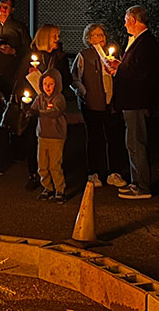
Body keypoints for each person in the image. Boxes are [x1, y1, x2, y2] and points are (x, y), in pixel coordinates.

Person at [110, 6, 159, 201]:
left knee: (136, 142)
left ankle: (142, 186)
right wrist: (119, 67)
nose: (124, 24)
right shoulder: (140, 42)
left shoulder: (146, 44)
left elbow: (141, 73)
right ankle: (136, 181)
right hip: (132, 101)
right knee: (132, 142)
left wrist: (119, 69)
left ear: (133, 20)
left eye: (126, 20)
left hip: (137, 101)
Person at [71, 23, 126, 189]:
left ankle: (114, 172)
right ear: (88, 38)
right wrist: (84, 93)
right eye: (95, 35)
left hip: (111, 103)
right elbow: (74, 78)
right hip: (92, 104)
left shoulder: (112, 54)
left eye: (101, 35)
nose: (100, 38)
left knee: (114, 138)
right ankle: (93, 172)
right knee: (94, 138)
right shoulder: (84, 56)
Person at [15, 24, 65, 190]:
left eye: (58, 36)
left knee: (52, 141)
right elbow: (19, 79)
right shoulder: (31, 56)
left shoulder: (59, 57)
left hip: (51, 106)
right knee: (33, 141)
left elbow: (67, 79)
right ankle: (35, 174)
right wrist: (31, 75)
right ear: (45, 38)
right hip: (34, 104)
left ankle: (55, 176)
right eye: (54, 36)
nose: (57, 39)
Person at [30, 68, 68, 202]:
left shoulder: (59, 98)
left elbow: (55, 112)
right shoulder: (40, 97)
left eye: (51, 84)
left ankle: (60, 189)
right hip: (42, 135)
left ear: (57, 84)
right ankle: (47, 187)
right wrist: (26, 106)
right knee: (42, 165)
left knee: (55, 165)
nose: (47, 87)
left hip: (56, 136)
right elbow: (33, 109)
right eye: (45, 84)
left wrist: (39, 113)